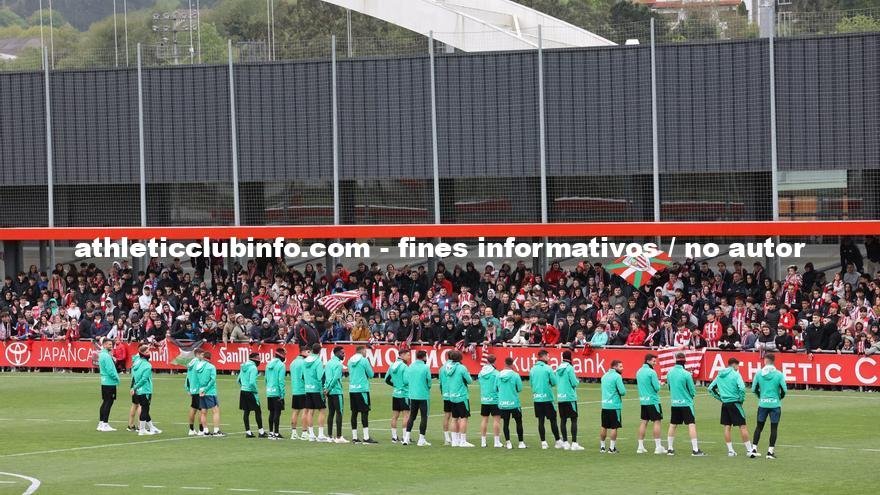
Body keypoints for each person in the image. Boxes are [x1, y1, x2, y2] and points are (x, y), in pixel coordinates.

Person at [708, 357, 754, 457]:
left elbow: (710, 388)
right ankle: (749, 450)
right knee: (742, 426)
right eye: (737, 366)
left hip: (725, 404)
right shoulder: (736, 374)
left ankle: (730, 451)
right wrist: (741, 399)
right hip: (735, 403)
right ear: (734, 365)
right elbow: (742, 388)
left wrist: (720, 398)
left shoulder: (719, 375)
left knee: (727, 427)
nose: (738, 368)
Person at [666, 352, 706, 456]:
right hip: (686, 403)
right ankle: (695, 449)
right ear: (684, 361)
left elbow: (669, 387)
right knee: (691, 424)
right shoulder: (686, 374)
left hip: (675, 403)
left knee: (673, 425)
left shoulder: (669, 373)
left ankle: (670, 449)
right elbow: (692, 391)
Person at [750, 352, 787, 459]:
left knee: (759, 427)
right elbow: (784, 390)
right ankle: (770, 452)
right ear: (773, 361)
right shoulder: (779, 374)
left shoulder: (759, 373)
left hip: (763, 404)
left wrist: (760, 396)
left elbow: (753, 389)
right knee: (774, 428)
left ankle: (754, 449)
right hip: (775, 405)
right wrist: (779, 398)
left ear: (765, 361)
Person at [529, 349, 562, 449]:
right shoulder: (548, 368)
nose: (549, 358)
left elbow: (531, 383)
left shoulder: (532, 369)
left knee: (541, 420)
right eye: (547, 356)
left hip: (537, 398)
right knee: (553, 420)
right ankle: (557, 441)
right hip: (547, 398)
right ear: (542, 357)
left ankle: (543, 442)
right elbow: (554, 382)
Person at [636, 353, 666, 455]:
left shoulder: (639, 371)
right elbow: (657, 388)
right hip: (653, 401)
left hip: (643, 401)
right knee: (657, 422)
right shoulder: (651, 372)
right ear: (648, 361)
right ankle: (658, 447)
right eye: (653, 361)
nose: (655, 363)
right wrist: (660, 384)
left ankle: (640, 447)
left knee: (643, 422)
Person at [445, 350, 474, 447]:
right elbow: (469, 381)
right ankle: (462, 441)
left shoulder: (447, 367)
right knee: (464, 418)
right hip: (461, 396)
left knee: (454, 418)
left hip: (452, 396)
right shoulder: (462, 368)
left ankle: (454, 441)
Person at [403, 349, 432, 446]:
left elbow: (406, 380)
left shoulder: (410, 366)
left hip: (412, 395)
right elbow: (429, 382)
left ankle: (406, 438)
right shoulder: (425, 367)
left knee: (412, 416)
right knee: (424, 417)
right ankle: (421, 439)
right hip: (423, 395)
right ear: (424, 357)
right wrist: (427, 387)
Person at [556, 350, 583, 451]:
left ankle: (566, 442)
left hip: (560, 397)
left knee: (563, 420)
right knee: (573, 419)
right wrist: (577, 381)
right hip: (570, 397)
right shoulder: (569, 368)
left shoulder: (558, 368)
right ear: (570, 357)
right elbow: (574, 383)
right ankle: (574, 443)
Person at [349, 345, 376, 443]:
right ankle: (366, 437)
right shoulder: (364, 361)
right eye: (365, 351)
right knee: (365, 412)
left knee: (354, 413)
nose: (366, 353)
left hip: (352, 389)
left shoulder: (350, 360)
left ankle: (355, 437)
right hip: (362, 389)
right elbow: (371, 374)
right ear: (362, 351)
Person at [497, 356, 526, 449]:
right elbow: (520, 388)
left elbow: (495, 388)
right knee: (519, 422)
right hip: (514, 403)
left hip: (503, 403)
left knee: (506, 423)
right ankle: (521, 443)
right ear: (512, 364)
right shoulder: (515, 375)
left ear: (505, 363)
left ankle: (508, 442)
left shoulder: (498, 375)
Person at [131, 344, 160, 436]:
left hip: (139, 390)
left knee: (144, 408)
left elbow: (135, 357)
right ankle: (142, 429)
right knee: (145, 409)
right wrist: (135, 387)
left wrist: (135, 387)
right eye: (147, 352)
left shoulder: (136, 362)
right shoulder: (147, 365)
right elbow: (144, 380)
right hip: (145, 390)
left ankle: (151, 427)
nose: (149, 353)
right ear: (143, 353)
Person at [303, 343, 329, 442]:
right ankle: (321, 435)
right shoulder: (318, 362)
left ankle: (311, 434)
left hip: (308, 388)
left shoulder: (305, 361)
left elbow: (304, 375)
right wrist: (323, 389)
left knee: (310, 411)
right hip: (316, 389)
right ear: (320, 350)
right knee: (322, 410)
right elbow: (320, 377)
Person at [599, 359, 626, 453]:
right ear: (615, 367)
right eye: (620, 366)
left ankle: (602, 447)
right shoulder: (617, 377)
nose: (622, 368)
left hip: (605, 405)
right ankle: (611, 448)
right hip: (614, 406)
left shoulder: (604, 376)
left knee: (604, 426)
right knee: (614, 427)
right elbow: (622, 392)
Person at [238, 351, 267, 438]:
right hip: (250, 392)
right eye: (258, 359)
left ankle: (248, 432)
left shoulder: (243, 366)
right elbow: (252, 382)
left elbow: (238, 379)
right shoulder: (253, 368)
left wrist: (243, 386)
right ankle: (261, 432)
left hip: (243, 391)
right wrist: (255, 391)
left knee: (246, 411)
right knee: (258, 411)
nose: (259, 360)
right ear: (255, 359)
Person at [477, 354, 503, 448]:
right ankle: (496, 442)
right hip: (495, 399)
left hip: (484, 399)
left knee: (484, 420)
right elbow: (499, 386)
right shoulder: (496, 373)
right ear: (494, 362)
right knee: (496, 420)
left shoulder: (481, 373)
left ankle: (483, 442)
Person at [386, 348, 411, 444]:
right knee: (406, 416)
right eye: (408, 355)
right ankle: (405, 437)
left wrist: (396, 385)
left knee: (395, 416)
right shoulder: (404, 367)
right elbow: (406, 381)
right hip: (404, 394)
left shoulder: (392, 365)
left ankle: (394, 437)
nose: (409, 357)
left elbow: (387, 379)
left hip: (395, 393)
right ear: (402, 355)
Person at [197, 351, 225, 437]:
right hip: (210, 391)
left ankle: (205, 431)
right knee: (215, 411)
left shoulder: (198, 366)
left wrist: (201, 390)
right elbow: (212, 380)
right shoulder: (211, 367)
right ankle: (216, 431)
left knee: (203, 412)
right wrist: (206, 389)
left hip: (201, 390)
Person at [324, 346, 347, 443]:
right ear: (337, 353)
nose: (344, 354)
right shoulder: (338, 364)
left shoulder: (328, 363)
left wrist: (326, 389)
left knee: (331, 413)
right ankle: (339, 437)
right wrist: (329, 388)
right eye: (342, 353)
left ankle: (329, 436)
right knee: (339, 412)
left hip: (329, 392)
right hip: (336, 391)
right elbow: (336, 378)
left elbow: (326, 377)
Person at [97, 337, 119, 432]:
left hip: (104, 381)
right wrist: (116, 378)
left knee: (105, 402)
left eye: (111, 344)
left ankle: (101, 423)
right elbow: (110, 370)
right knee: (108, 402)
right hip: (109, 382)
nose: (111, 346)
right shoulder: (106, 356)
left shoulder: (102, 354)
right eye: (109, 344)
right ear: (104, 345)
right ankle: (105, 424)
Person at [265, 347, 287, 439]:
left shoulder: (268, 364)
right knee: (277, 413)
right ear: (281, 355)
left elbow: (266, 379)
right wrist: (282, 394)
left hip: (269, 392)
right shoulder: (281, 365)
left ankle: (270, 432)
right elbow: (281, 381)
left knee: (271, 412)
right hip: (277, 392)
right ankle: (276, 433)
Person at [185, 348, 206, 436]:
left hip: (193, 389)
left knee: (193, 408)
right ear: (197, 354)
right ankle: (201, 430)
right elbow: (201, 377)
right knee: (201, 410)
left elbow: (188, 377)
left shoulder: (191, 362)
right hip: (199, 389)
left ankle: (191, 429)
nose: (203, 356)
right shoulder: (198, 363)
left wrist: (188, 388)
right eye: (202, 355)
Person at [289, 347, 308, 440]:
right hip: (303, 390)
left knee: (295, 412)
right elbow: (304, 376)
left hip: (295, 390)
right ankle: (304, 433)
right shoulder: (304, 362)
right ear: (303, 352)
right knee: (305, 411)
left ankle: (294, 433)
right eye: (308, 352)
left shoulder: (293, 362)